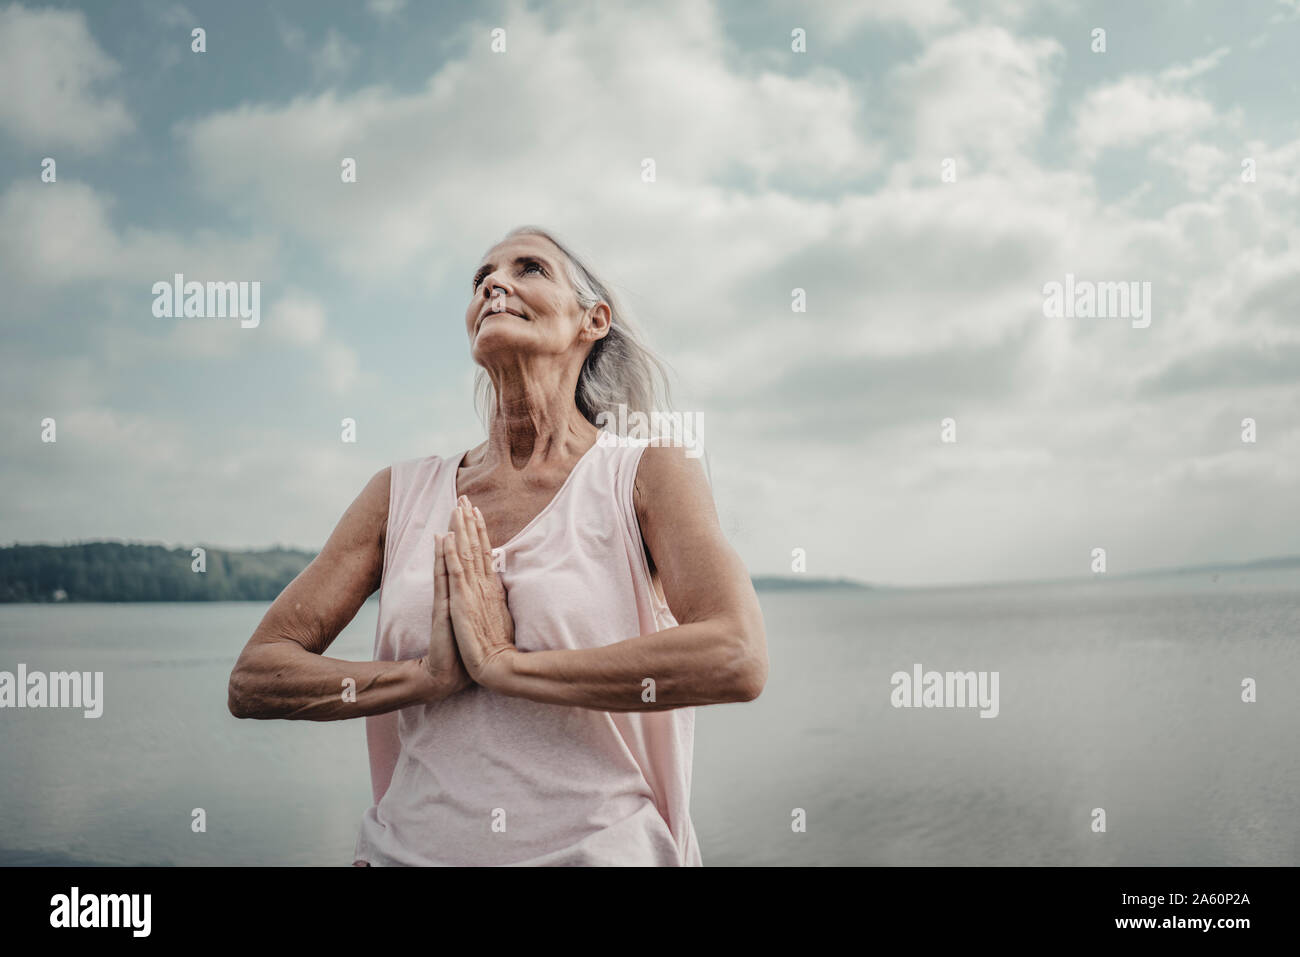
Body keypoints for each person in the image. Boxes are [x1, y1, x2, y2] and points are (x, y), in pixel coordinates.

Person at [227, 225, 767, 865]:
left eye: (529, 268)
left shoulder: (646, 474)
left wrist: (506, 666)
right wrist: (423, 679)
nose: (494, 283)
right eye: (481, 277)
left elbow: (735, 655)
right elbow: (256, 677)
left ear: (592, 320)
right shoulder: (397, 494)